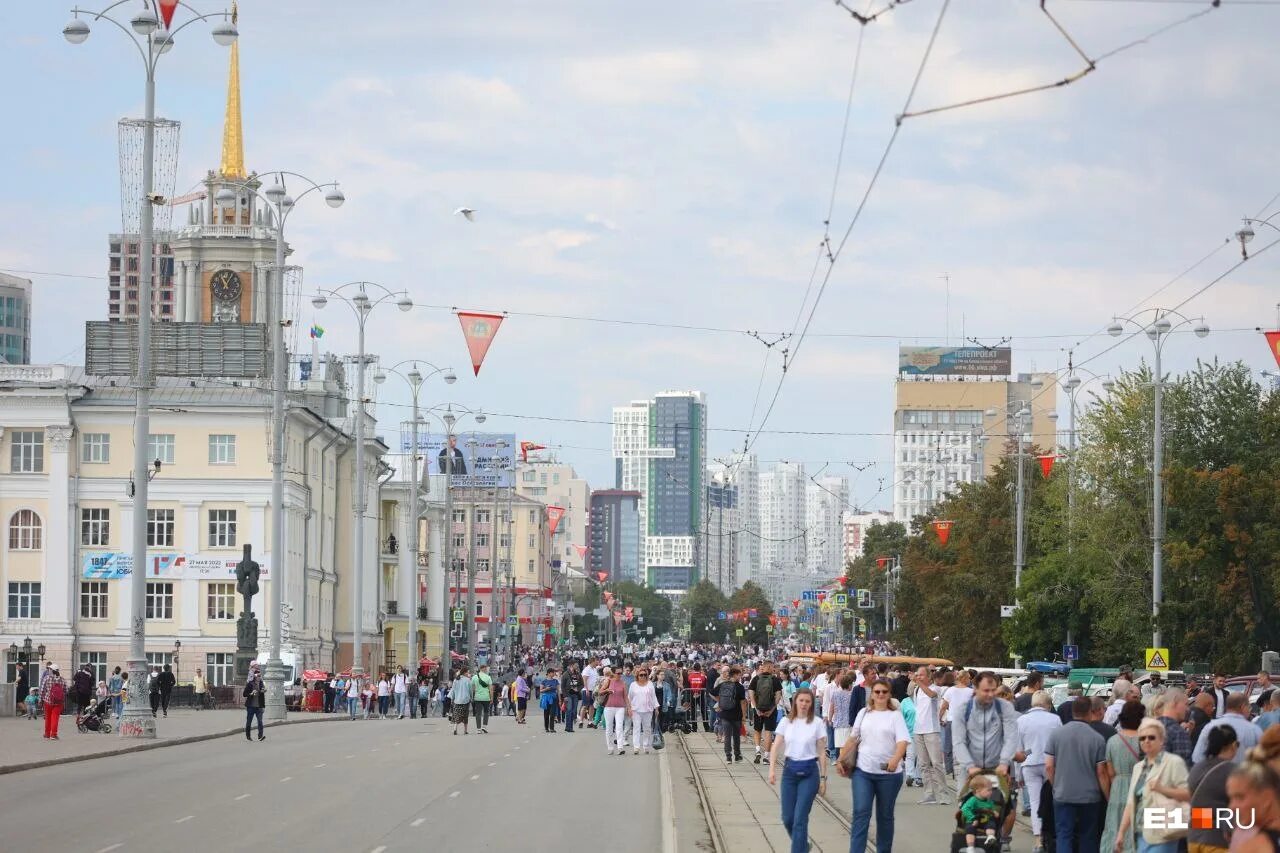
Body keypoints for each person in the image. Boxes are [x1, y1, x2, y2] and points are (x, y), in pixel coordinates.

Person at [840, 677, 909, 853]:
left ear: (889, 695)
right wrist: (841, 759)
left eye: (884, 692)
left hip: (889, 775)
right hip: (863, 771)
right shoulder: (864, 713)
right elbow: (853, 737)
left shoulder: (895, 716)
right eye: (877, 691)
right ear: (872, 694)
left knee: (885, 816)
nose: (880, 695)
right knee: (861, 813)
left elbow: (902, 741)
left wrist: (895, 759)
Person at [1114, 717, 1190, 853]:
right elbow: (1131, 803)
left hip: (1163, 831)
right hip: (1140, 832)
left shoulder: (1173, 762)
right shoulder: (1139, 767)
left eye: (1151, 737)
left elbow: (1188, 794)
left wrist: (1162, 789)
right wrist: (1121, 833)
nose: (1146, 741)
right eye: (1142, 738)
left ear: (1162, 740)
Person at [1047, 695, 1109, 853]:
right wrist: (1108, 796)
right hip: (1090, 796)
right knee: (1088, 836)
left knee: (1064, 835)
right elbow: (1101, 772)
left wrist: (1056, 787)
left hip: (1063, 794)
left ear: (1073, 711)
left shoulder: (1056, 735)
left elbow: (1049, 767)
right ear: (1089, 712)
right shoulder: (1097, 739)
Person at [769, 688, 828, 853]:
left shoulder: (817, 723)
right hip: (790, 772)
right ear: (795, 701)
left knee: (800, 819)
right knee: (788, 818)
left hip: (810, 773)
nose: (804, 704)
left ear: (811, 704)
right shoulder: (786, 722)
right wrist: (772, 769)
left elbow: (822, 752)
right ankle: (803, 844)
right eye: (801, 700)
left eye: (807, 701)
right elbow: (775, 747)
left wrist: (823, 779)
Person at [1018, 690, 1063, 853]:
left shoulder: (1021, 720)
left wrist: (1018, 773)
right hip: (1051, 764)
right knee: (1053, 801)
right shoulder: (1055, 719)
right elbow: (1060, 744)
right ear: (1048, 705)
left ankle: (1038, 840)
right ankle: (1051, 836)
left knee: (1036, 802)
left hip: (1029, 764)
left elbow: (1019, 749)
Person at [1101, 700, 1147, 853]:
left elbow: (1110, 772)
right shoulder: (1147, 741)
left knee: (1115, 826)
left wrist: (1110, 794)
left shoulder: (1113, 741)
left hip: (1118, 788)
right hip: (1141, 789)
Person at [1187, 724, 1240, 853]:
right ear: (1233, 745)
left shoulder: (1196, 768)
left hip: (1194, 838)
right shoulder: (1234, 771)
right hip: (1218, 841)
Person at [1224, 753, 1280, 853]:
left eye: (1240, 797)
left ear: (1266, 798)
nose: (1232, 806)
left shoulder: (1253, 846)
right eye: (1231, 798)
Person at [913, 665, 950, 805]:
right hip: (918, 730)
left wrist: (919, 682)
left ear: (929, 676)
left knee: (936, 763)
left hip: (932, 730)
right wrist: (918, 684)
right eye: (917, 674)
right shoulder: (917, 689)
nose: (918, 677)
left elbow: (931, 695)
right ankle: (929, 794)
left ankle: (944, 794)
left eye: (921, 675)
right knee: (923, 764)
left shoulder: (935, 689)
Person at [1193, 692, 1264, 765]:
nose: (1250, 710)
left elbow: (1197, 758)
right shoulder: (1255, 730)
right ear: (1242, 707)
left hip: (1215, 774)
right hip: (1244, 774)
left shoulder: (1209, 726)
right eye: (1249, 707)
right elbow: (1263, 760)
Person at [750, 660, 784, 765]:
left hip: (758, 709)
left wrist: (756, 709)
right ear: (770, 667)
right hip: (770, 710)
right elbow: (778, 696)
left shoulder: (756, 679)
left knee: (757, 730)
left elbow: (751, 694)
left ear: (763, 667)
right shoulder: (775, 680)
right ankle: (766, 757)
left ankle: (757, 750)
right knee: (768, 732)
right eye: (772, 667)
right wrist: (771, 710)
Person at [1153, 687, 1194, 766]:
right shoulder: (1178, 733)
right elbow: (1183, 770)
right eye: (1186, 704)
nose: (1187, 709)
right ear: (1175, 701)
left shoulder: (1149, 727)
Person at [962, 775, 1001, 853]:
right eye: (988, 790)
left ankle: (990, 837)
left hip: (985, 819)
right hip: (974, 819)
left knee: (991, 824)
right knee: (970, 829)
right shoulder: (973, 800)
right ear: (978, 791)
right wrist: (972, 818)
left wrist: (994, 812)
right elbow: (964, 809)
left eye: (991, 790)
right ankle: (970, 847)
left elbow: (991, 808)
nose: (991, 792)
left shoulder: (989, 800)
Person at [717, 665, 748, 763]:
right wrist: (744, 715)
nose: (740, 677)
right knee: (736, 736)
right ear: (735, 675)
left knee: (727, 736)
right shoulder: (739, 687)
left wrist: (720, 701)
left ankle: (728, 757)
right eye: (739, 675)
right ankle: (737, 755)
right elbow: (743, 702)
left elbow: (711, 693)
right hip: (736, 714)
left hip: (725, 714)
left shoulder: (723, 684)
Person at [628, 667, 659, 754]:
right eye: (641, 675)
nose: (643, 676)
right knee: (636, 728)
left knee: (647, 728)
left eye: (645, 675)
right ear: (637, 676)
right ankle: (636, 747)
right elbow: (629, 697)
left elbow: (653, 696)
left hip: (648, 710)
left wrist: (656, 707)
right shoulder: (633, 685)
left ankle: (646, 746)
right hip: (636, 710)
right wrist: (629, 708)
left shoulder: (650, 684)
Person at [602, 668, 628, 751]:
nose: (620, 675)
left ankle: (620, 747)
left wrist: (629, 708)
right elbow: (600, 691)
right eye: (618, 673)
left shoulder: (623, 683)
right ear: (613, 673)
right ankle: (610, 747)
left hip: (620, 707)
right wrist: (607, 690)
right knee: (609, 727)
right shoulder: (608, 681)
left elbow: (625, 697)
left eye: (621, 673)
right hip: (609, 707)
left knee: (619, 726)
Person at [40, 663, 66, 740]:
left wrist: (40, 699)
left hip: (48, 701)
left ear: (51, 670)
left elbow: (42, 690)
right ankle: (53, 735)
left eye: (49, 669)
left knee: (48, 718)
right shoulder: (62, 679)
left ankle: (47, 734)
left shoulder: (46, 678)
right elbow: (66, 690)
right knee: (55, 718)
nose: (48, 670)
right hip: (58, 702)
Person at [243, 666, 266, 742]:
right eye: (258, 676)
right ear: (255, 676)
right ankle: (248, 736)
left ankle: (260, 736)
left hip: (259, 706)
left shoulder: (261, 684)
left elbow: (262, 691)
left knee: (260, 721)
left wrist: (263, 691)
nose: (259, 677)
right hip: (251, 706)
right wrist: (251, 694)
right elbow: (244, 694)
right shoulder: (250, 684)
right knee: (249, 721)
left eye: (260, 676)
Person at [560, 663, 583, 733]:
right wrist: (565, 696)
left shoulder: (578, 674)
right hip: (568, 694)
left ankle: (571, 726)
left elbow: (582, 684)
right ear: (571, 665)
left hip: (575, 695)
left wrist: (578, 689)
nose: (577, 666)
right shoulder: (565, 674)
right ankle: (568, 727)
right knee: (569, 710)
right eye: (576, 665)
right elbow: (562, 686)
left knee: (574, 711)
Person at [450, 667, 473, 734]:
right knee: (465, 715)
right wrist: (471, 697)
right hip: (465, 700)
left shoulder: (456, 680)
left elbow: (453, 690)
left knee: (457, 714)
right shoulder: (468, 680)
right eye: (467, 672)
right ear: (464, 672)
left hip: (457, 700)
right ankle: (465, 730)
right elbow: (470, 690)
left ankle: (455, 728)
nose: (468, 674)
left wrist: (452, 698)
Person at [539, 667, 561, 734]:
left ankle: (552, 728)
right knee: (546, 713)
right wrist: (546, 689)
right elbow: (540, 690)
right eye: (553, 672)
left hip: (554, 698)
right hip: (546, 698)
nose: (554, 673)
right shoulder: (544, 681)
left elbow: (558, 691)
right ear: (549, 673)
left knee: (552, 713)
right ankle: (546, 727)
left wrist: (560, 700)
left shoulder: (555, 681)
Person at [471, 664, 493, 733]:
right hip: (486, 697)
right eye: (486, 669)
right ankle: (484, 727)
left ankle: (478, 729)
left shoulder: (474, 677)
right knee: (486, 712)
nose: (486, 670)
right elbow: (490, 689)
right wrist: (491, 697)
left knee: (478, 713)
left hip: (477, 698)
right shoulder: (488, 677)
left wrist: (473, 696)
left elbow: (473, 689)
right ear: (483, 669)